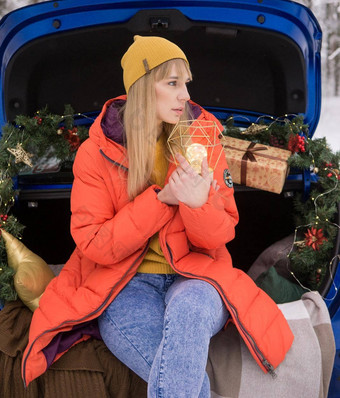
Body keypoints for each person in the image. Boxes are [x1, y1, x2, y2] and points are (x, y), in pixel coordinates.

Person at [22, 36, 294, 396]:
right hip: (124, 285)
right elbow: (94, 245)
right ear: (141, 88)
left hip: (198, 275)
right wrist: (163, 200)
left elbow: (219, 237)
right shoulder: (96, 152)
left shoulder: (203, 139)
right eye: (172, 83)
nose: (185, 95)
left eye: (186, 84)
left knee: (190, 310)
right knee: (186, 385)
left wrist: (198, 205)